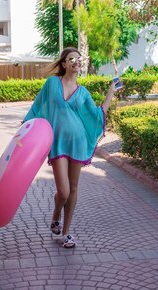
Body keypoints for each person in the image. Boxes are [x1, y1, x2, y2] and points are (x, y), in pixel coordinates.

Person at [22, 47, 118, 248]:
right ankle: (56, 213)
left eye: (78, 59)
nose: (76, 61)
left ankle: (66, 232)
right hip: (57, 143)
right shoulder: (51, 84)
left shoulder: (83, 92)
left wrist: (111, 92)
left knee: (73, 188)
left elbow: (97, 115)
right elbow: (37, 107)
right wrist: (25, 128)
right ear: (64, 64)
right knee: (63, 192)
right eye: (71, 59)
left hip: (78, 143)